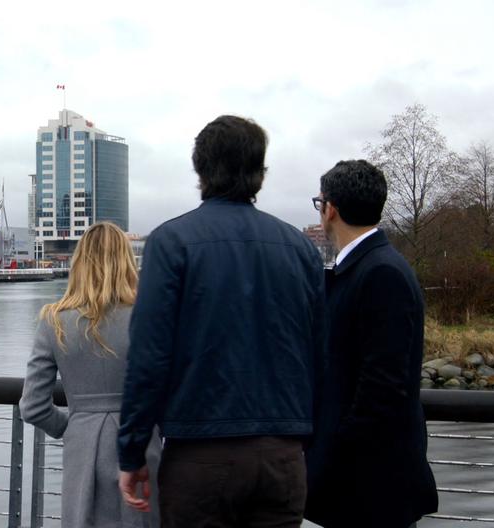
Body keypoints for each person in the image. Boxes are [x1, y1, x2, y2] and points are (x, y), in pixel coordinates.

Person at [118, 115, 325, 528]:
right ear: (260, 173)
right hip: (283, 457)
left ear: (200, 169)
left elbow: (149, 358)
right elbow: (318, 353)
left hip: (200, 457)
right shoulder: (301, 248)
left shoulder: (172, 242)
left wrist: (132, 450)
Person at [304, 160, 438, 528]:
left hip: (367, 488)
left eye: (319, 204)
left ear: (330, 209)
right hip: (367, 484)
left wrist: (329, 460)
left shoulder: (379, 273)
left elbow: (381, 389)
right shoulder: (378, 266)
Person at [20, 221, 161, 528]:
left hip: (82, 444)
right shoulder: (148, 316)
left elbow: (32, 406)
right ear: (126, 261)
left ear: (79, 263)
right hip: (139, 442)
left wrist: (74, 425)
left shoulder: (54, 320)